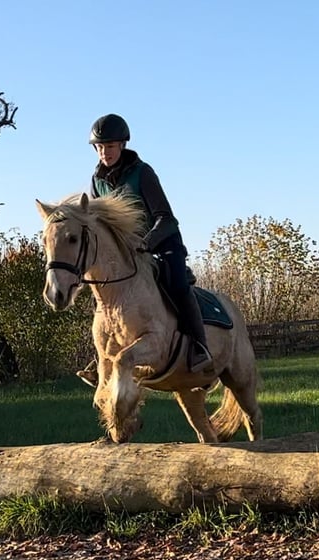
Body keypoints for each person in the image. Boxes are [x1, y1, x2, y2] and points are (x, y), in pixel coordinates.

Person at [83, 113, 212, 374]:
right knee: (104, 292)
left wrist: (146, 242)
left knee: (177, 285)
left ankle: (200, 347)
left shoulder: (143, 173)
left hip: (162, 241)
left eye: (109, 146)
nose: (104, 152)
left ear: (122, 145)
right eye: (99, 147)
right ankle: (103, 358)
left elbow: (166, 217)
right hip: (126, 251)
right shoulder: (96, 181)